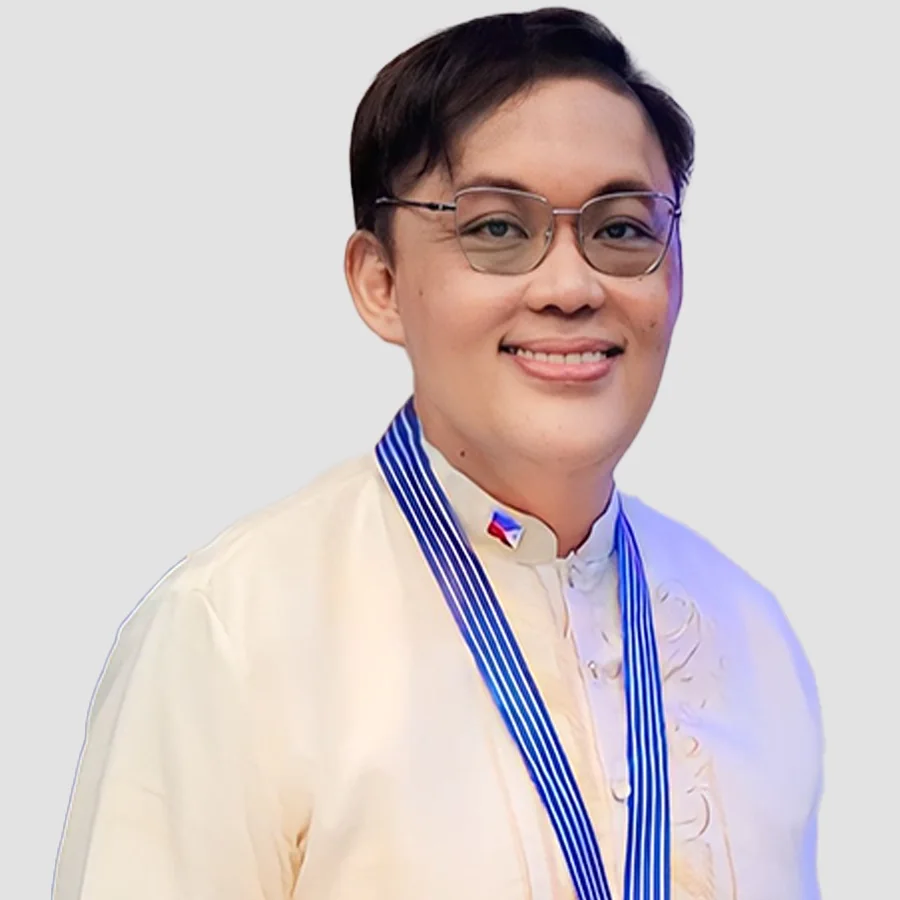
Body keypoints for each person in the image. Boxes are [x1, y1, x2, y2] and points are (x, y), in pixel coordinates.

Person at [52, 8, 823, 900]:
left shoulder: (752, 639)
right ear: (379, 283)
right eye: (496, 229)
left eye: (621, 229)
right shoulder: (232, 634)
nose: (571, 286)